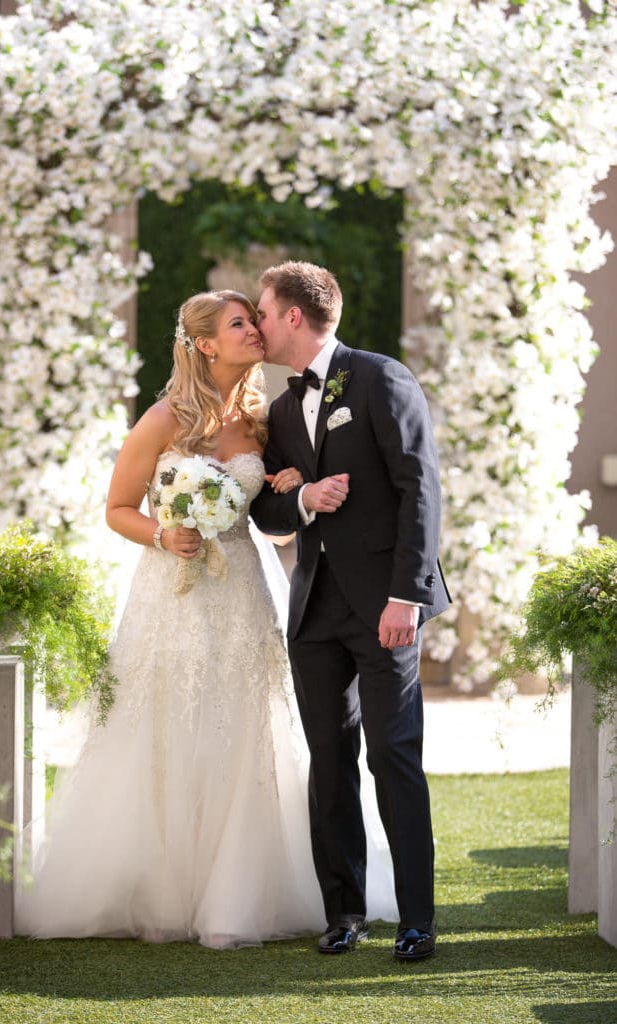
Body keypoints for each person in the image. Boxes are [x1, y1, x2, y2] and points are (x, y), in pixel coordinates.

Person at [16, 288, 396, 947]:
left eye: (255, 319)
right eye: (240, 323)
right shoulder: (164, 419)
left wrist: (287, 495)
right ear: (205, 344)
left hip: (245, 588)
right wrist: (164, 535)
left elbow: (277, 523)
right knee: (170, 723)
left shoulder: (263, 419)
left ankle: (241, 892)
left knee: (246, 725)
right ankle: (165, 889)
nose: (255, 331)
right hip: (175, 594)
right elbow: (117, 507)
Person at [251, 261, 450, 961]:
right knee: (329, 760)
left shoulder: (380, 377)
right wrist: (302, 497)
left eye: (265, 313)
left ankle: (417, 921)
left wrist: (408, 597)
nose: (259, 324)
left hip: (385, 605)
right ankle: (343, 913)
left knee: (394, 755)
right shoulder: (278, 410)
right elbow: (266, 506)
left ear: (295, 317)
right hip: (315, 611)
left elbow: (420, 489)